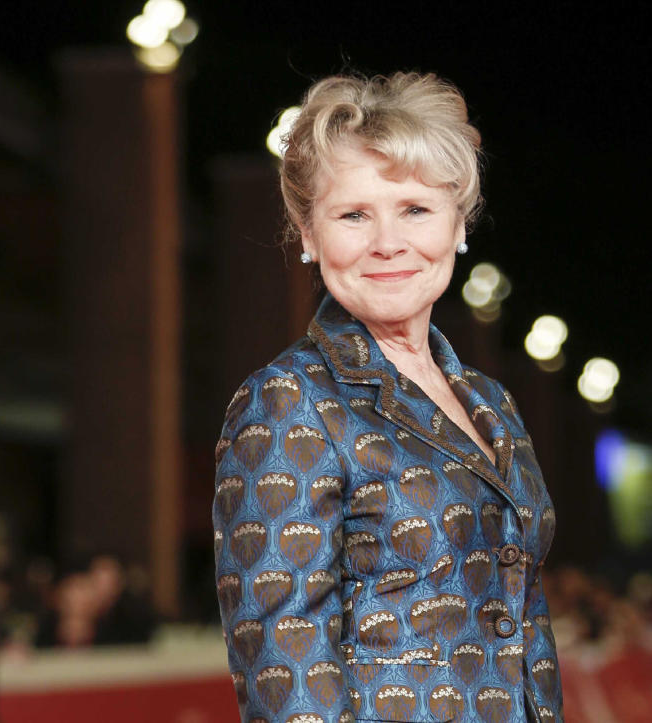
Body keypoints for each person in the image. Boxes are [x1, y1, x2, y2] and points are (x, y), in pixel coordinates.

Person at [214, 71, 563, 722]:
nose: (387, 244)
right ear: (309, 232)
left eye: (415, 209)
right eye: (353, 214)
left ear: (458, 223)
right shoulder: (289, 399)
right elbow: (284, 663)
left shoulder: (491, 400)